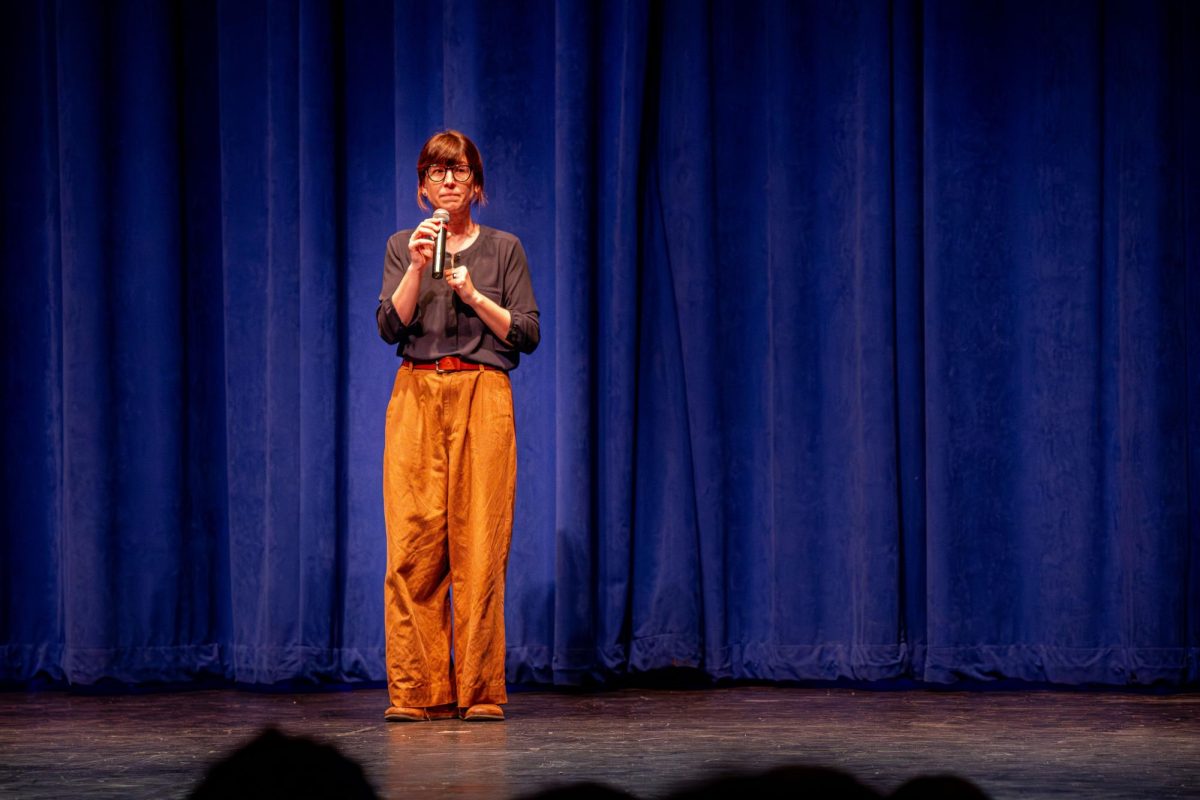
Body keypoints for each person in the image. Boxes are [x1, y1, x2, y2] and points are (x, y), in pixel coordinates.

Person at [376, 130, 540, 722]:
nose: (449, 180)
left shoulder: (504, 249)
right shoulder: (404, 245)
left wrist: (472, 293)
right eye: (437, 171)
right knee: (414, 548)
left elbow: (526, 333)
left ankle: (478, 691)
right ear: (422, 186)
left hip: (482, 393)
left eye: (460, 170)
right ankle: (417, 692)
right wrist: (418, 269)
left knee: (479, 546)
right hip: (417, 393)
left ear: (477, 184)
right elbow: (389, 327)